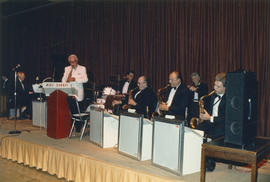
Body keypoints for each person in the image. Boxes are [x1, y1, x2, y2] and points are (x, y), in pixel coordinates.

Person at [198, 72, 226, 172]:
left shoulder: (230, 98)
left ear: (225, 87)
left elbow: (225, 118)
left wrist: (209, 118)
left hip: (221, 125)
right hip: (210, 121)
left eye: (218, 86)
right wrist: (203, 116)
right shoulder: (214, 95)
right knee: (197, 131)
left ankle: (209, 164)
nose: (215, 88)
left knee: (213, 135)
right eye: (214, 85)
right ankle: (197, 159)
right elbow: (211, 111)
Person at [62, 54, 88, 133]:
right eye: (70, 62)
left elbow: (85, 79)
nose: (72, 64)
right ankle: (71, 126)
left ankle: (78, 128)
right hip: (69, 91)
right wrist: (65, 81)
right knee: (71, 110)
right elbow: (63, 79)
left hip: (78, 92)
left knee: (78, 110)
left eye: (73, 62)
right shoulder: (67, 69)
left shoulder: (82, 68)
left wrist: (75, 79)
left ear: (77, 61)